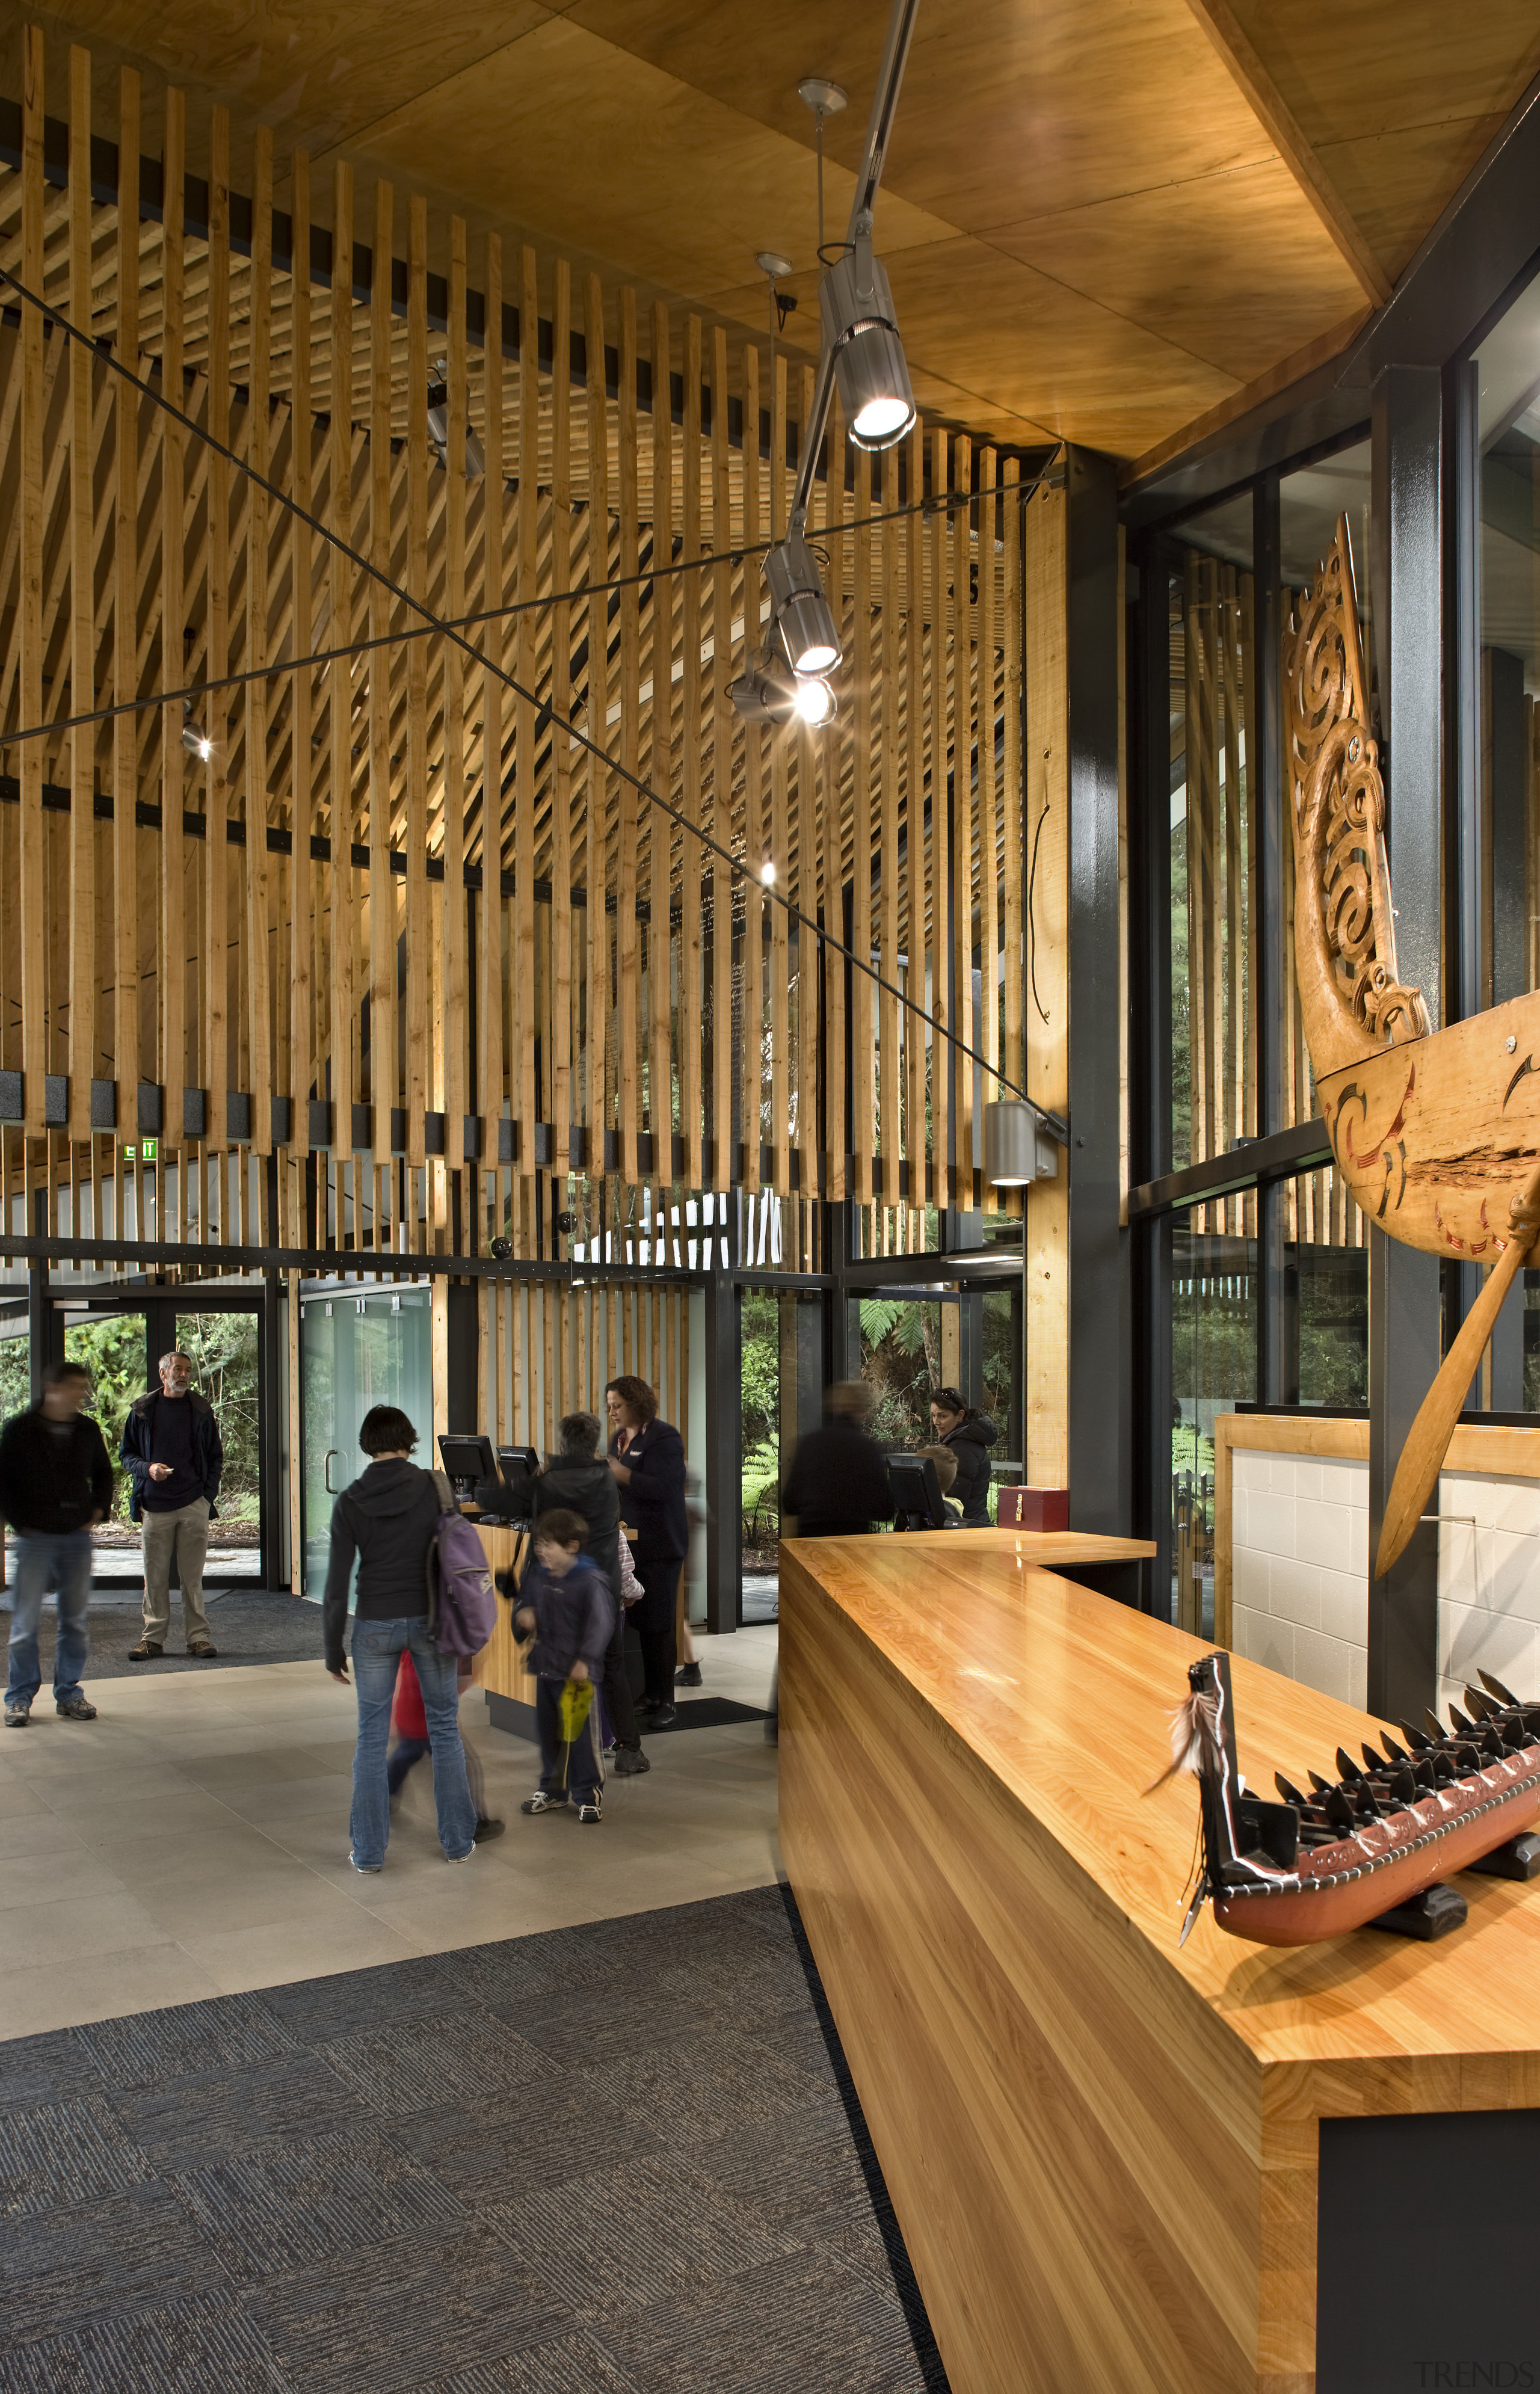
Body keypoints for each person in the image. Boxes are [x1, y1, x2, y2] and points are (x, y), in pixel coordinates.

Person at [324, 1403, 476, 1871]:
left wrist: (333, 1648)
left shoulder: (350, 1500)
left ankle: (368, 1854)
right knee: (444, 1729)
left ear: (367, 1442)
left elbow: (334, 1585)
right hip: (431, 1621)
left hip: (374, 1625)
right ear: (408, 1439)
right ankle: (457, 1844)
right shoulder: (435, 1486)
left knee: (371, 1739)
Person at [1, 1359, 114, 1728]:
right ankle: (19, 1698)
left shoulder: (86, 1429)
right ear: (53, 1388)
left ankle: (68, 1693)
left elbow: (102, 1473)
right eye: (75, 1387)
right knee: (25, 1624)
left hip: (76, 1538)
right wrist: (21, 1524)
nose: (82, 1394)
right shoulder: (21, 1429)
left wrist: (97, 1511)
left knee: (75, 1622)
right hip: (35, 1539)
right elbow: (4, 1481)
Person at [536, 1411, 648, 1776]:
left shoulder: (552, 1492)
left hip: (561, 1605)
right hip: (602, 1601)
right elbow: (620, 1560)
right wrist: (630, 1592)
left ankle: (570, 1760)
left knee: (560, 1677)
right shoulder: (603, 1491)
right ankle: (629, 1749)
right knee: (613, 1669)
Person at [121, 1350, 225, 1661]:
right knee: (154, 1577)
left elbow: (215, 1456)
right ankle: (152, 1639)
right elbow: (126, 1456)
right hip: (155, 1506)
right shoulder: (141, 1411)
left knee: (192, 1578)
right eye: (178, 1369)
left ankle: (198, 1638)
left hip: (194, 1503)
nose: (183, 1375)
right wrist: (148, 1469)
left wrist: (207, 1496)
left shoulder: (201, 1411)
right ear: (162, 1373)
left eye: (188, 1371)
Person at [514, 1507, 614, 1823]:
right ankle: (553, 1790)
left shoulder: (590, 1580)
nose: (542, 1551)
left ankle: (588, 1793)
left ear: (571, 1546)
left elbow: (600, 1624)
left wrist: (585, 1659)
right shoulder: (538, 1576)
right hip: (545, 1666)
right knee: (549, 1735)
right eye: (539, 1545)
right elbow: (525, 1604)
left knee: (581, 1736)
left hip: (577, 1677)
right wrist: (524, 1616)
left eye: (549, 1545)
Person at [606, 1374, 688, 1728]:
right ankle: (648, 1694)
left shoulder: (663, 1437)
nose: (611, 1413)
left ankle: (666, 1700)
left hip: (660, 1543)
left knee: (659, 1625)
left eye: (617, 1406)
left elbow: (667, 1488)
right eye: (609, 1406)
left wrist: (622, 1474)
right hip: (629, 1543)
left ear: (636, 1404)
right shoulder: (618, 1439)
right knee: (639, 1623)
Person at [388, 1652, 505, 1840]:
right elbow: (456, 1682)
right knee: (465, 1766)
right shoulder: (446, 1642)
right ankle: (475, 1822)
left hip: (408, 1713)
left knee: (405, 1754)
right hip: (435, 1721)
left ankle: (384, 1798)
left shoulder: (410, 1635)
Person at [780, 1380, 892, 1539]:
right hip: (852, 1545)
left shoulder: (809, 1444)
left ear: (833, 1408)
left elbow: (790, 1503)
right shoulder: (867, 1448)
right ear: (861, 1410)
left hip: (810, 1546)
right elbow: (885, 1510)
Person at [928, 1385, 999, 1526]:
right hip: (969, 1523)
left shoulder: (962, 1448)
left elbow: (954, 1497)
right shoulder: (959, 1442)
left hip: (967, 1527)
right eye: (934, 1415)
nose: (936, 1421)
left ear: (960, 1416)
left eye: (942, 1416)